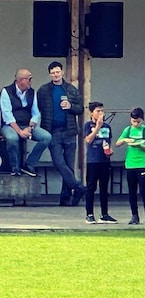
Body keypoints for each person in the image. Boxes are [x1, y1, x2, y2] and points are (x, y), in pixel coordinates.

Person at [37, 61, 86, 206]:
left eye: (57, 72)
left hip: (70, 131)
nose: (55, 75)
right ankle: (79, 187)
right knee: (59, 163)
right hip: (52, 131)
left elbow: (80, 109)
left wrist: (70, 106)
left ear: (62, 72)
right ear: (49, 74)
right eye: (53, 73)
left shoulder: (71, 89)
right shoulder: (43, 90)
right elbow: (39, 107)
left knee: (69, 166)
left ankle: (66, 199)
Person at [0, 68, 51, 177]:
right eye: (29, 79)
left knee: (46, 137)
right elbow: (7, 115)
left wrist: (29, 128)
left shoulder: (32, 92)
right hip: (10, 126)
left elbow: (36, 113)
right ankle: (15, 167)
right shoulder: (6, 91)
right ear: (21, 80)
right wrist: (19, 131)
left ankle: (29, 164)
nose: (31, 81)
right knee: (12, 138)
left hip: (27, 125)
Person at [115, 107, 145, 225]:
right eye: (133, 121)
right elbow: (117, 143)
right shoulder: (128, 130)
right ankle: (134, 216)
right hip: (130, 163)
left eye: (138, 122)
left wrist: (141, 147)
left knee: (144, 190)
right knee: (132, 191)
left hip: (142, 162)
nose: (136, 124)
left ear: (142, 120)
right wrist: (126, 140)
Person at [83, 101, 117, 224]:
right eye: (98, 111)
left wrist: (110, 150)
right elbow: (88, 140)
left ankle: (104, 214)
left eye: (102, 111)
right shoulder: (88, 125)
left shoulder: (107, 127)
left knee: (104, 187)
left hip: (105, 160)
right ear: (92, 113)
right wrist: (97, 126)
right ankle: (89, 214)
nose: (101, 113)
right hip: (93, 160)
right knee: (91, 187)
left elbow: (108, 141)